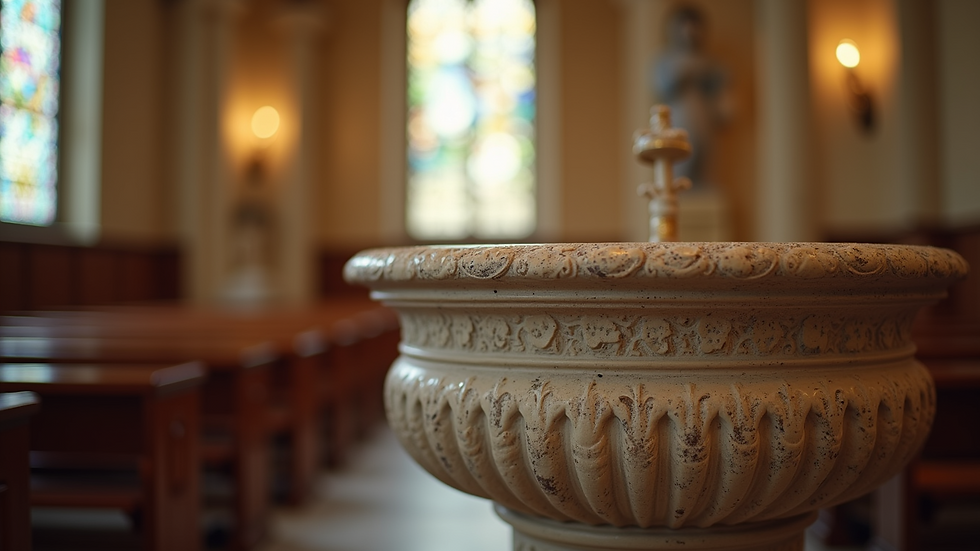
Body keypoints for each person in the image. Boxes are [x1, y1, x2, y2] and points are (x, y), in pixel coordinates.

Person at [652, 4, 731, 189]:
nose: (690, 32)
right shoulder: (666, 60)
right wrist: (689, 71)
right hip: (679, 117)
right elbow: (663, 85)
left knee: (704, 156)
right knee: (681, 158)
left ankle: (700, 189)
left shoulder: (709, 61)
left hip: (703, 117)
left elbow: (722, 85)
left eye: (695, 26)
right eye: (684, 26)